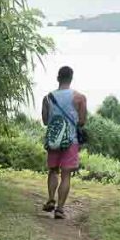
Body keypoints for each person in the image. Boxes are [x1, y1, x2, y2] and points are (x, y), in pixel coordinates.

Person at [41, 66, 87, 219]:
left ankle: (50, 199)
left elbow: (46, 121)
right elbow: (82, 121)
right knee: (66, 175)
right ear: (71, 78)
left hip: (53, 139)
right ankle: (60, 209)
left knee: (53, 170)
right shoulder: (79, 97)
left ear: (58, 78)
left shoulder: (47, 98)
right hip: (71, 140)